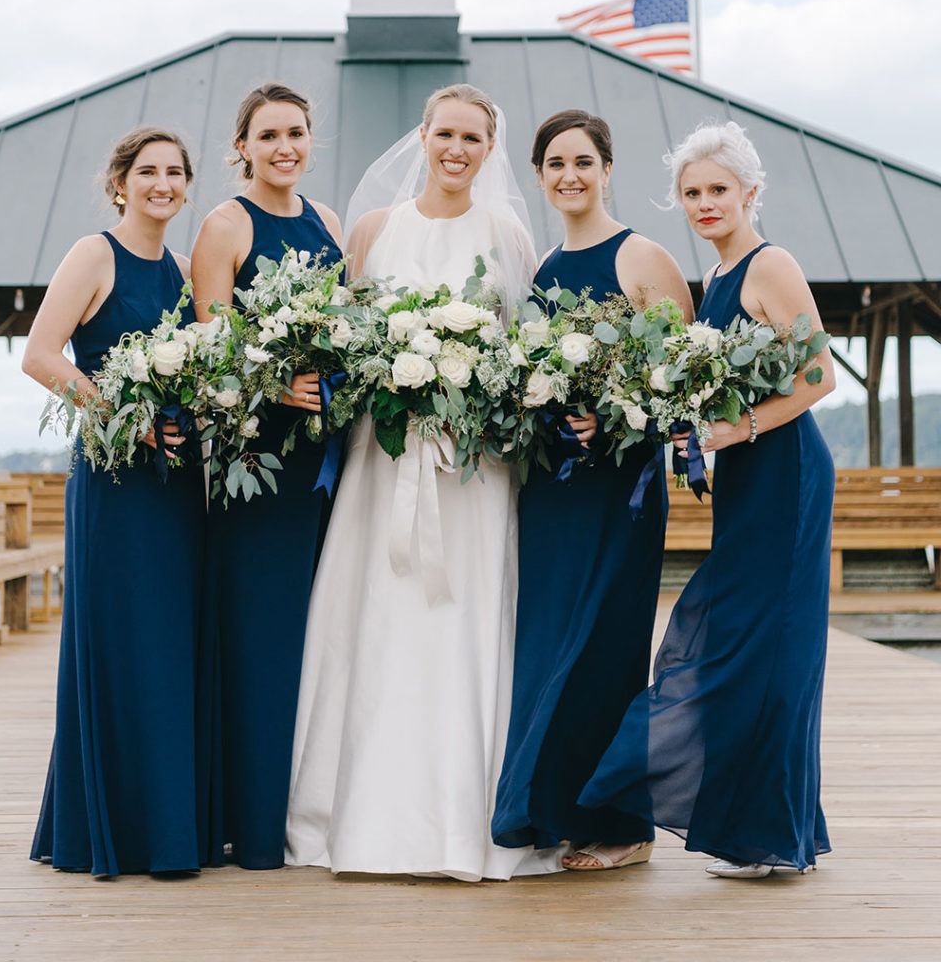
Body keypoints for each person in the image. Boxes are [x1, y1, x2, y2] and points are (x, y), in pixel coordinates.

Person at [285, 83, 565, 882]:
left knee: (459, 611)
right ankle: (346, 817)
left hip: (472, 465)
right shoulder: (373, 230)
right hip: (385, 454)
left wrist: (465, 382)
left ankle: (464, 819)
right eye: (445, 134)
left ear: (489, 148)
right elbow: (342, 339)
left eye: (473, 139)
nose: (457, 149)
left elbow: (524, 356)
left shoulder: (509, 236)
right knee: (374, 611)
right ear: (423, 135)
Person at [578, 120, 835, 879]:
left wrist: (736, 429)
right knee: (745, 641)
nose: (704, 203)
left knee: (768, 646)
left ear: (751, 192)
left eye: (718, 189)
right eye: (691, 193)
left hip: (784, 474)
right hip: (747, 480)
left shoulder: (769, 264)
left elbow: (820, 378)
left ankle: (770, 836)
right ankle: (766, 831)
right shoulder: (718, 282)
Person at [492, 108, 694, 872]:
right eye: (555, 165)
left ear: (607, 169)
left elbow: (684, 379)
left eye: (583, 161)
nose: (570, 176)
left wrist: (614, 421)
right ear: (541, 177)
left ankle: (623, 827)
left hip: (620, 491)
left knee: (607, 645)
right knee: (548, 645)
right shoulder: (541, 269)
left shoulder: (642, 257)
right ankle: (552, 810)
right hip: (550, 491)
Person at [26, 128, 205, 877]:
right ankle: (104, 830)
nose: (162, 184)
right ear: (120, 183)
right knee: (116, 641)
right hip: (113, 477)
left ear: (187, 186)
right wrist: (121, 422)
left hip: (175, 486)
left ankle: (166, 829)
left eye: (174, 173)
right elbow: (41, 353)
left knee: (167, 647)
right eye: (148, 172)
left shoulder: (190, 270)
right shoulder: (93, 254)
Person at [192, 82, 343, 870]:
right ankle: (247, 823)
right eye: (269, 135)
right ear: (242, 146)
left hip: (325, 460)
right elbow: (208, 350)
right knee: (259, 635)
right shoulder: (225, 226)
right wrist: (276, 383)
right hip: (259, 463)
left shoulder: (329, 224)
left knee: (317, 634)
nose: (285, 146)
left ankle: (302, 810)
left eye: (297, 132)